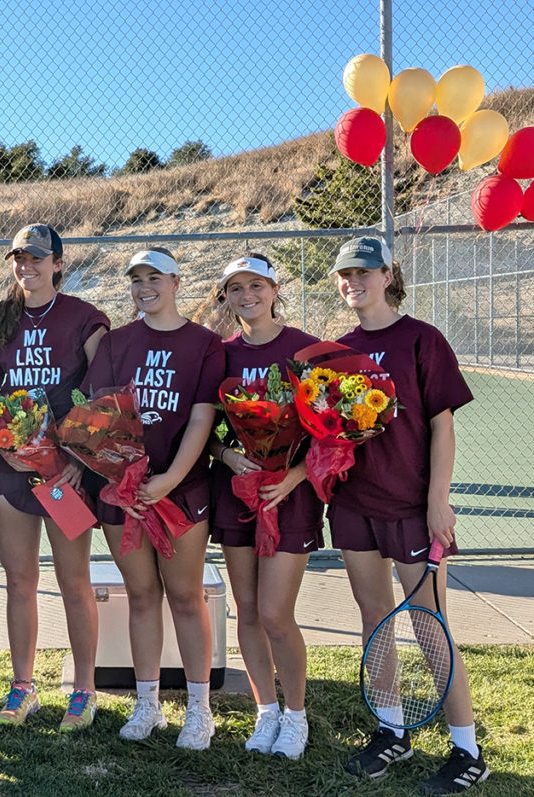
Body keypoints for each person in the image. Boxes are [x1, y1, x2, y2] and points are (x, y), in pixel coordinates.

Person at [329, 238, 489, 794]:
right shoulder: (337, 349)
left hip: (411, 508)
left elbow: (443, 425)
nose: (354, 282)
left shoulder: (422, 338)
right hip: (353, 505)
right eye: (345, 274)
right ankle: (392, 728)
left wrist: (437, 499)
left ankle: (468, 749)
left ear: (388, 274)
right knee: (375, 618)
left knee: (430, 627)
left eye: (364, 272)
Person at [83, 249, 224, 750]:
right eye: (136, 279)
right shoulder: (117, 342)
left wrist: (166, 481)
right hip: (124, 494)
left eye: (154, 278)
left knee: (186, 597)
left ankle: (199, 708)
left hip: (179, 492)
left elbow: (203, 420)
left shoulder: (205, 343)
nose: (145, 287)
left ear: (176, 282)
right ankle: (148, 704)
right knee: (141, 596)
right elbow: (96, 417)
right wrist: (127, 479)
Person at [0, 224, 108, 732]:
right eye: (18, 257)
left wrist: (79, 459)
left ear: (57, 262)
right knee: (19, 581)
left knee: (74, 582)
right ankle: (23, 687)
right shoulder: (2, 318)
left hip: (64, 471)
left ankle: (83, 690)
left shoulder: (85, 318)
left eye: (36, 257)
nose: (25, 265)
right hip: (13, 467)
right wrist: (0, 440)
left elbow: (102, 393)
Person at [206, 254, 324, 760]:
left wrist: (293, 476)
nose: (247, 296)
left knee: (277, 614)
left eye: (256, 285)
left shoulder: (307, 349)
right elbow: (203, 430)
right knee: (248, 611)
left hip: (288, 497)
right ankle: (265, 710)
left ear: (275, 289)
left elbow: (334, 432)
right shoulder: (219, 353)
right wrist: (228, 454)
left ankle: (295, 716)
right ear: (225, 298)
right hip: (237, 493)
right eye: (236, 288)